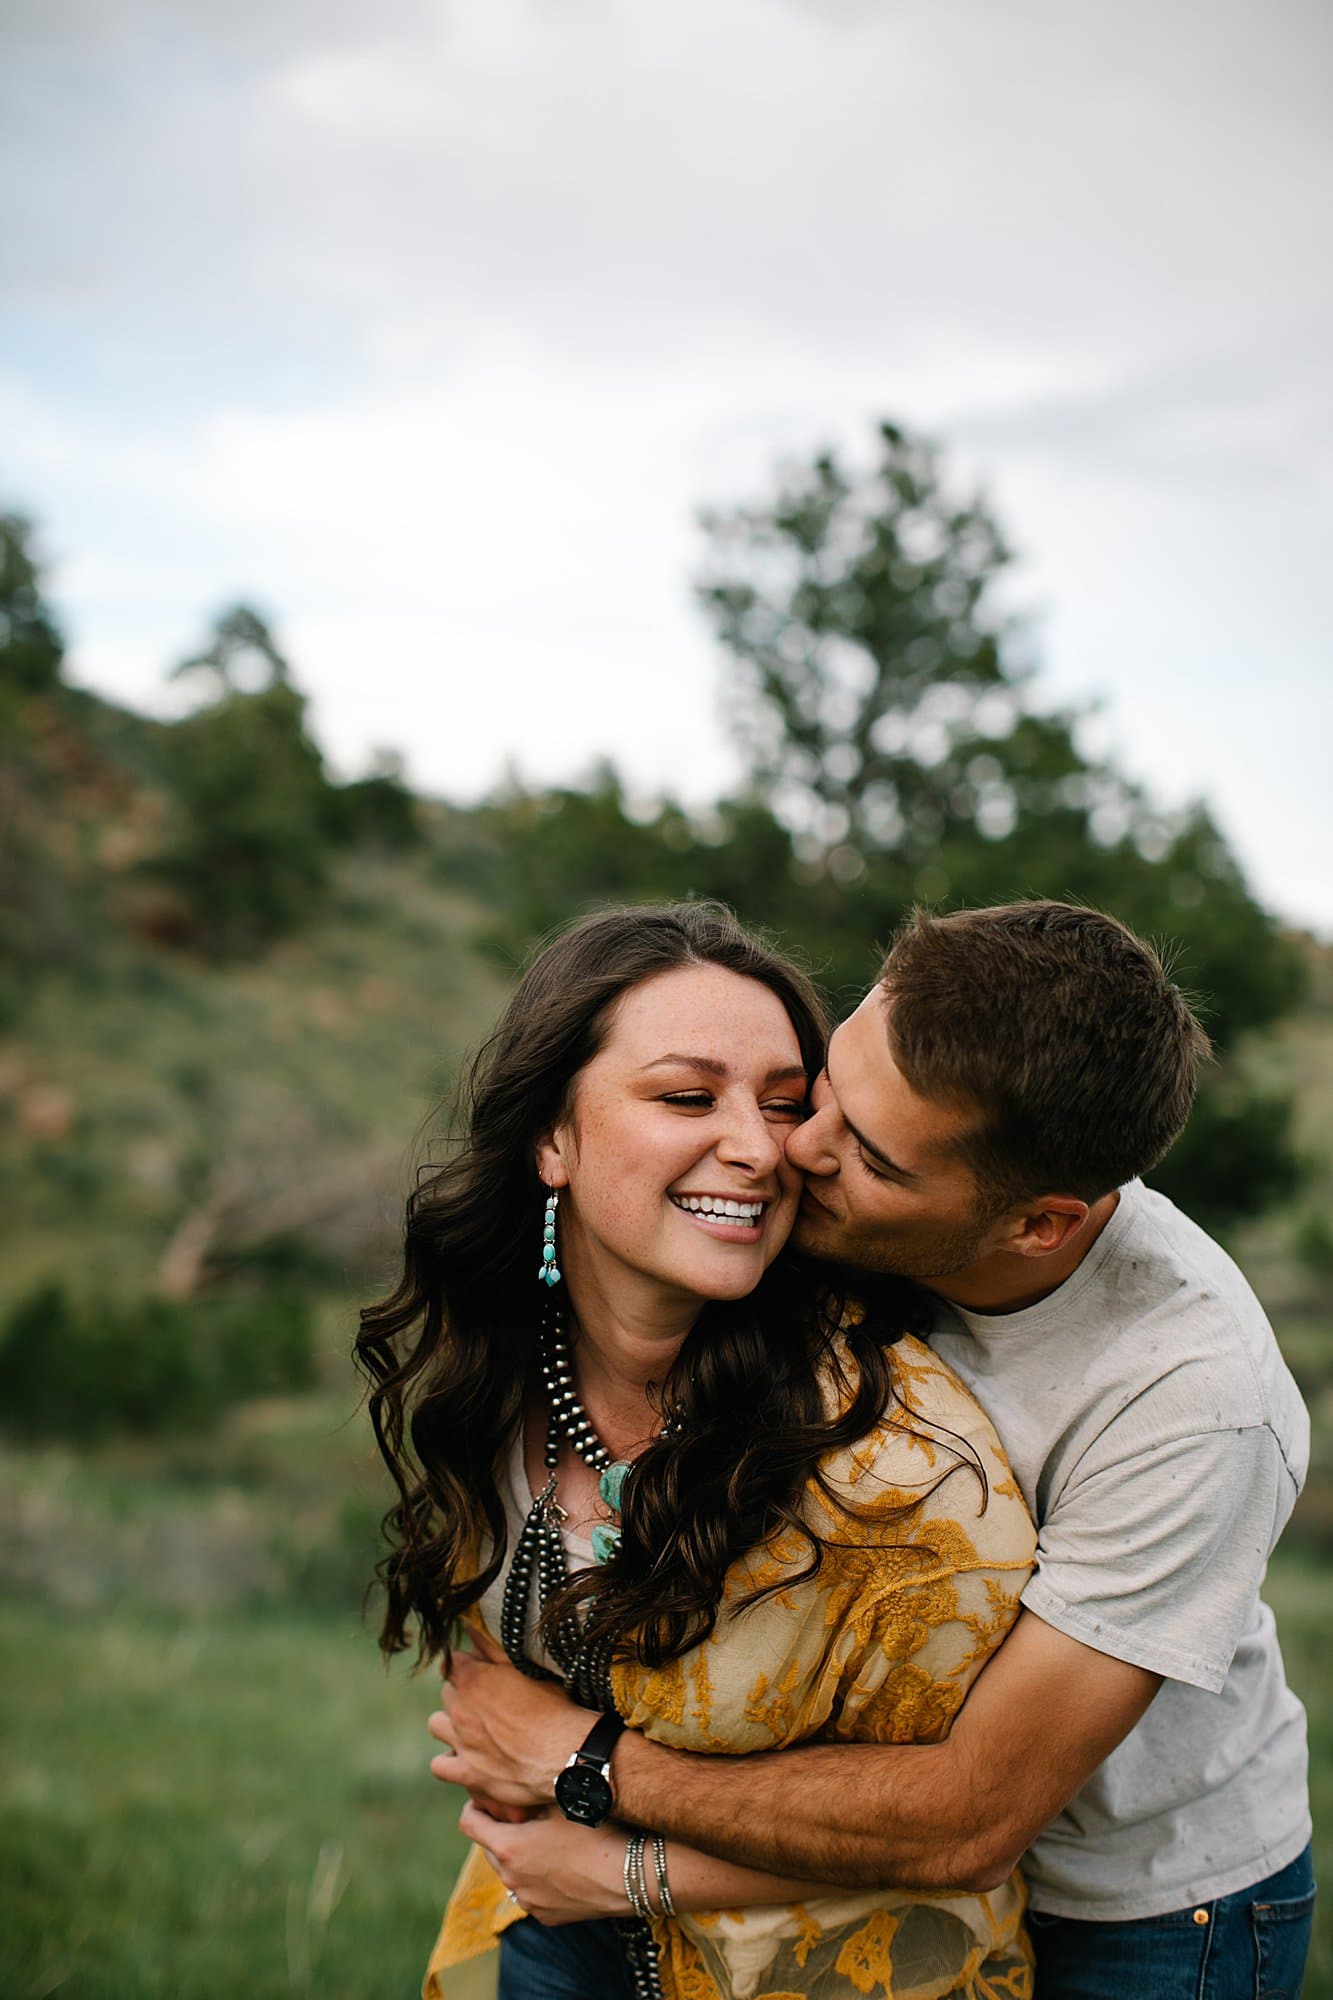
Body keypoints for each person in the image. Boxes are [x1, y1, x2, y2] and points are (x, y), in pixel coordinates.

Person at [431, 900, 1315, 2000]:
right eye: (827, 1087)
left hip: (1129, 1892)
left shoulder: (1192, 1399)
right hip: (828, 1858)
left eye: (868, 1151)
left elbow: (972, 1817)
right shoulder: (828, 1211)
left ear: (1037, 1223)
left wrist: (588, 1768)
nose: (789, 1149)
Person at [358, 900, 1039, 2000]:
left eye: (785, 1104)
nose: (759, 1147)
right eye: (686, 1095)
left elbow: (949, 1839)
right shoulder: (502, 1372)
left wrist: (624, 1862)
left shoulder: (902, 1469)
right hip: (542, 1939)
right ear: (551, 1136)